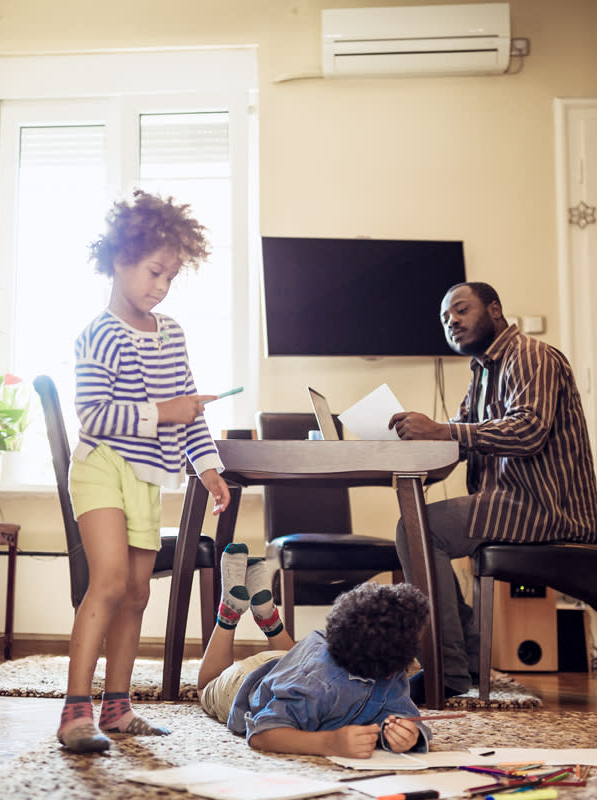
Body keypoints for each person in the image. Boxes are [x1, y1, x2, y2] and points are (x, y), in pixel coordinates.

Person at [57, 190, 233, 753]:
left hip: (149, 475)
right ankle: (73, 712)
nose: (161, 286)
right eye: (155, 271)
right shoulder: (99, 333)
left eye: (171, 277)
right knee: (108, 581)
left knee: (136, 593)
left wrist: (207, 469)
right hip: (101, 468)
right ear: (119, 259)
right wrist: (166, 412)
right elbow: (94, 414)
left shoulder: (173, 333)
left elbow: (190, 413)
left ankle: (117, 709)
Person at [388, 281, 597, 700]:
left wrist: (443, 430)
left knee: (417, 530)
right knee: (416, 527)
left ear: (495, 309)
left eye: (461, 310)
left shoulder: (532, 356)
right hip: (510, 502)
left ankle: (448, 673)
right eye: (446, 318)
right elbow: (457, 443)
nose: (452, 322)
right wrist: (413, 449)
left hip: (543, 506)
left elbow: (529, 431)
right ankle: (464, 660)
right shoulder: (483, 372)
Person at [197, 544, 433, 758]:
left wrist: (410, 735)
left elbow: (406, 717)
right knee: (204, 688)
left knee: (300, 665)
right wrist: (329, 743)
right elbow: (262, 733)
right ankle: (229, 612)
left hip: (290, 660)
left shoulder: (390, 675)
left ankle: (269, 619)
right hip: (245, 679)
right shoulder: (316, 686)